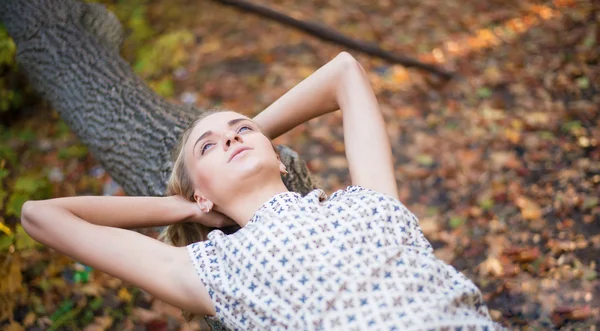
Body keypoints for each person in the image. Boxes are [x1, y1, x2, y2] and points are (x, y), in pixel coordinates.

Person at [21, 52, 501, 330]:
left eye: (239, 129)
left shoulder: (368, 200)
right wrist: (181, 205)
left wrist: (251, 135)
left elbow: (344, 72)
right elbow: (40, 215)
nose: (230, 138)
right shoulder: (213, 270)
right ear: (201, 194)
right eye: (208, 147)